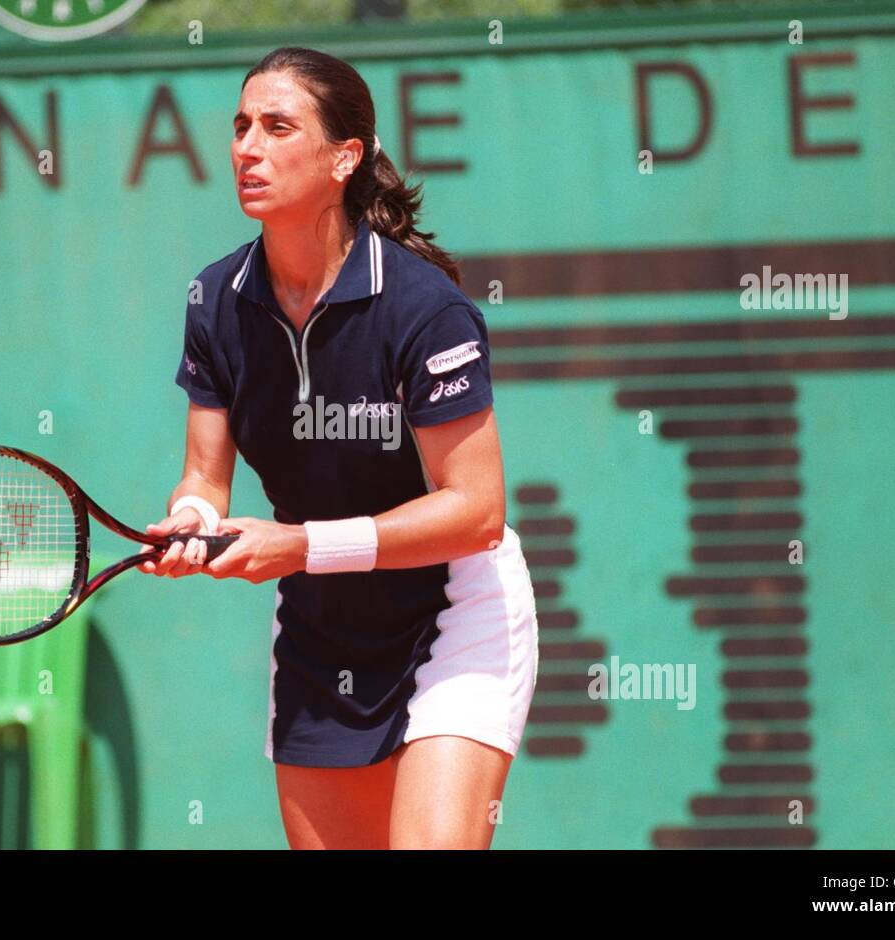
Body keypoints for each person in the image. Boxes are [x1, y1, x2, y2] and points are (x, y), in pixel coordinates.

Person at [141, 47, 539, 849]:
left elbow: (477, 514)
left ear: (344, 157)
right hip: (325, 632)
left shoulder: (425, 308)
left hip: (457, 608)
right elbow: (203, 477)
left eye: (278, 126)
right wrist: (190, 521)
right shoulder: (215, 302)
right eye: (241, 126)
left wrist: (298, 545)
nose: (247, 147)